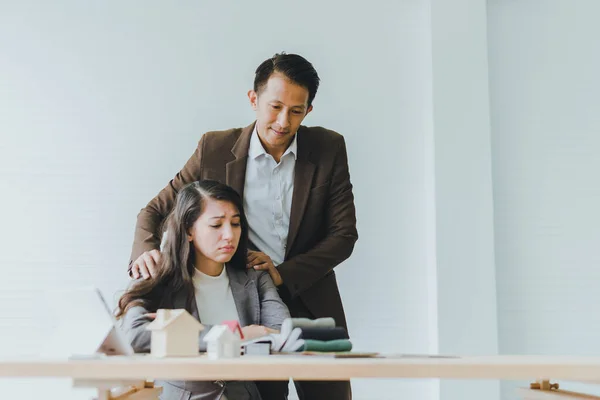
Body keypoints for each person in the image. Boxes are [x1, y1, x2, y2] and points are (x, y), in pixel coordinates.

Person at [128, 53, 358, 399]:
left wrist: (283, 273)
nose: (283, 121)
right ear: (254, 99)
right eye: (275, 106)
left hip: (309, 296)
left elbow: (343, 235)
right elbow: (155, 210)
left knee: (330, 396)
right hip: (246, 298)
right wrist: (146, 251)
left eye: (296, 111)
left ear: (309, 110)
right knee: (259, 394)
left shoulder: (328, 147)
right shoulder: (215, 148)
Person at [118, 180, 290, 400]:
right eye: (216, 225)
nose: (229, 235)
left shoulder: (255, 275)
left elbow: (282, 334)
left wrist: (181, 335)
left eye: (235, 223)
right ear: (189, 230)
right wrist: (233, 335)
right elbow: (134, 336)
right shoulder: (157, 274)